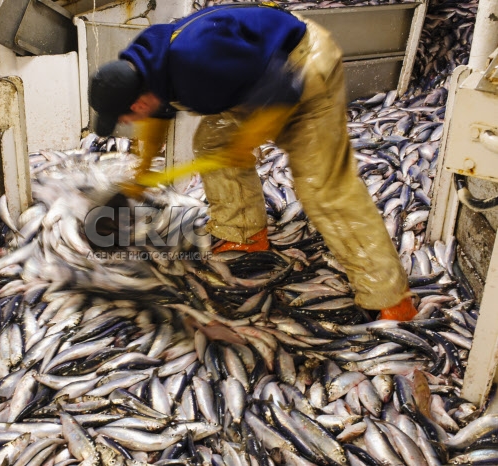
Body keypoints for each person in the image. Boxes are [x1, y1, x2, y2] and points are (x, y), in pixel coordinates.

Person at [88, 3, 417, 321]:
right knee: (212, 143)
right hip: (253, 74)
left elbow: (282, 89)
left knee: (324, 189)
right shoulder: (144, 66)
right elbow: (157, 119)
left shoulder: (196, 60)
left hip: (300, 67)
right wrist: (141, 176)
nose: (128, 123)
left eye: (125, 117)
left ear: (139, 101)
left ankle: (391, 298)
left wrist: (246, 142)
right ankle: (244, 234)